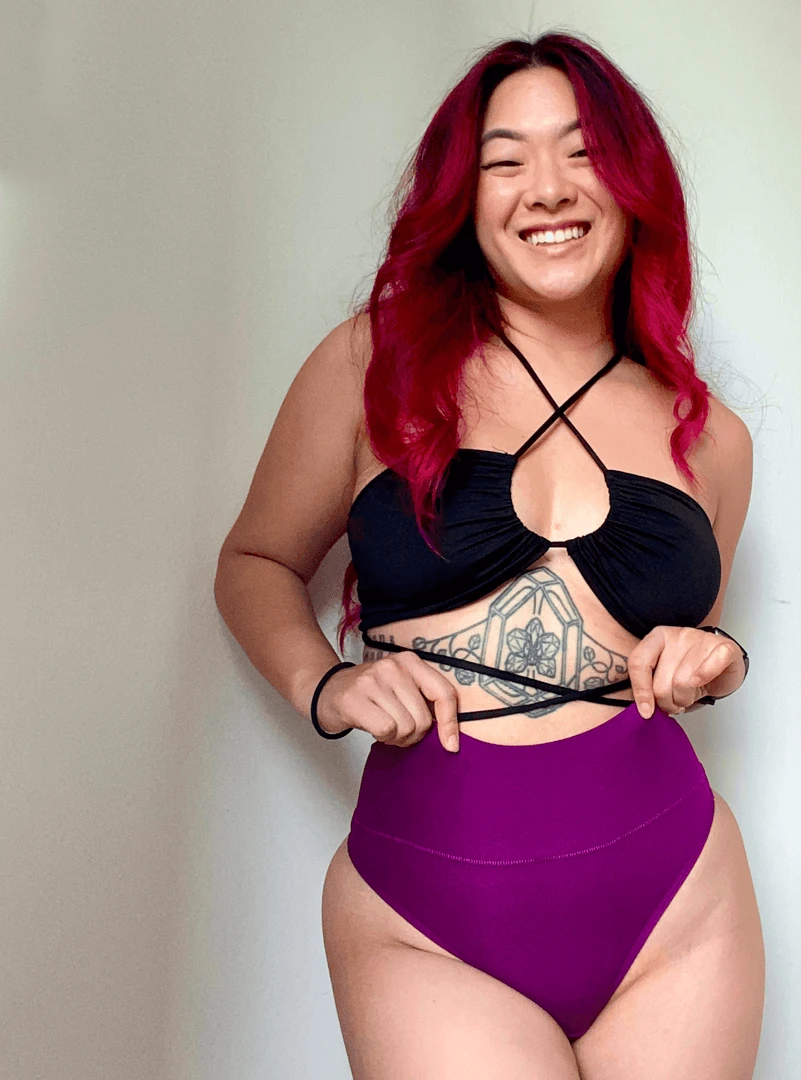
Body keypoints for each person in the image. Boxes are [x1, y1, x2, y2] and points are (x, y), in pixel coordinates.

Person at [215, 31, 764, 1080]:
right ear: (463, 199)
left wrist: (720, 657)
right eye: (505, 161)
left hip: (675, 902)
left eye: (582, 152)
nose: (547, 188)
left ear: (635, 185)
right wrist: (326, 683)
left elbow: (687, 647)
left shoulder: (714, 438)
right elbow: (255, 562)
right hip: (426, 913)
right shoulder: (371, 363)